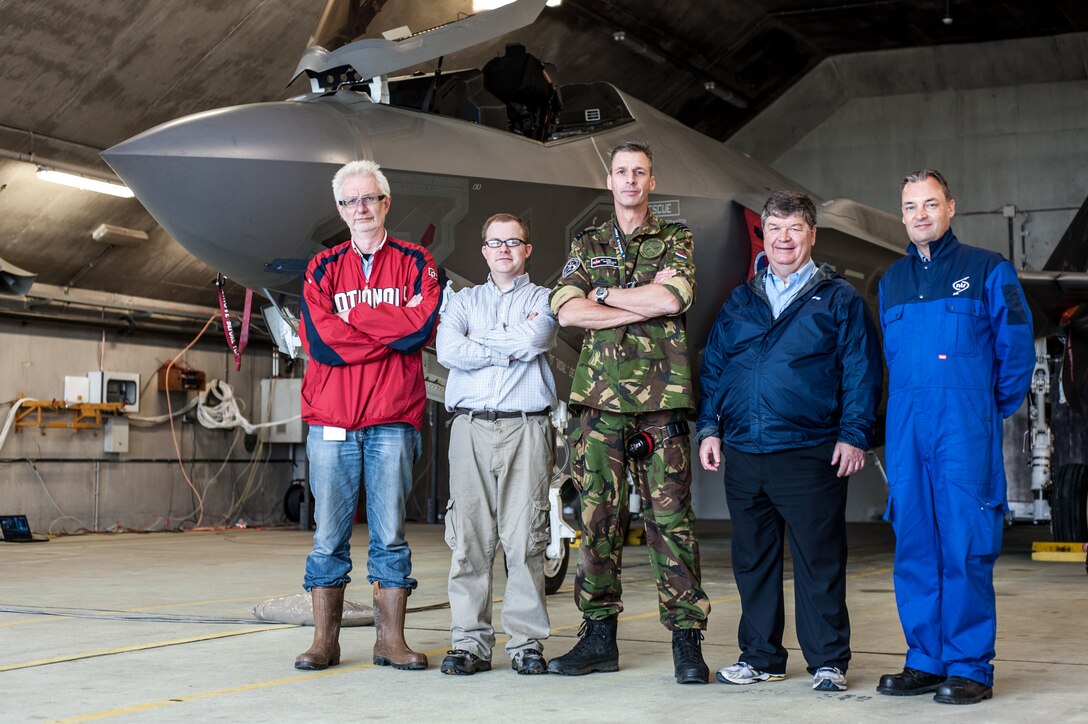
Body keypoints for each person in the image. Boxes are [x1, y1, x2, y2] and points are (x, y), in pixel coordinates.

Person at [695, 190, 882, 693]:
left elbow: (861, 372)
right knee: (752, 561)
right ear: (766, 235)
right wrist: (709, 427)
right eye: (775, 228)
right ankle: (760, 657)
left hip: (809, 450)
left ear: (811, 235)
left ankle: (828, 661)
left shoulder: (838, 298)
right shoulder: (742, 299)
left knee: (818, 560)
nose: (783, 239)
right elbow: (715, 366)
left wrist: (854, 435)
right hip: (745, 452)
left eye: (794, 229)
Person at [548, 141, 711, 684]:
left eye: (639, 172)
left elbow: (673, 299)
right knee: (597, 521)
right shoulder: (587, 239)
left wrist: (609, 295)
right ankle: (598, 639)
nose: (631, 181)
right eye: (622, 172)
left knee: (670, 522)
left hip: (661, 405)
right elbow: (567, 309)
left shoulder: (675, 238)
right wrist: (636, 298)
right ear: (610, 180)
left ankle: (687, 641)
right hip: (598, 405)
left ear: (651, 181)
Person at [876, 169, 1034, 705]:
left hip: (964, 431)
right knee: (915, 545)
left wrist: (982, 411)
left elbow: (1016, 350)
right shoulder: (891, 282)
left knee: (966, 545)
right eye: (910, 206)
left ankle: (969, 665)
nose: (920, 214)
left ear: (951, 207)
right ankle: (925, 658)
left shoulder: (988, 269)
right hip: (906, 434)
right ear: (902, 216)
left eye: (930, 203)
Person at [294, 159, 441, 672]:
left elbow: (420, 328)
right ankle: (324, 643)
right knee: (328, 536)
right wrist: (384, 331)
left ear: (386, 203)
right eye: (350, 200)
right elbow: (321, 341)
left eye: (369, 198)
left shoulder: (417, 261)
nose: (361, 208)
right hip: (331, 419)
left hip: (391, 419)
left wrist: (354, 318)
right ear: (340, 209)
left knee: (391, 534)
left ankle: (390, 642)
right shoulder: (321, 268)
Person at [435, 213, 559, 676]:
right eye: (494, 242)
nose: (503, 249)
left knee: (525, 537)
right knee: (468, 539)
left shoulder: (544, 299)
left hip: (527, 427)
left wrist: (481, 344)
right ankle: (470, 643)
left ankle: (526, 644)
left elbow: (540, 335)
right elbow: (449, 352)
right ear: (483, 251)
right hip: (469, 428)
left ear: (527, 249)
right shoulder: (462, 302)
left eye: (513, 242)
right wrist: (512, 345)